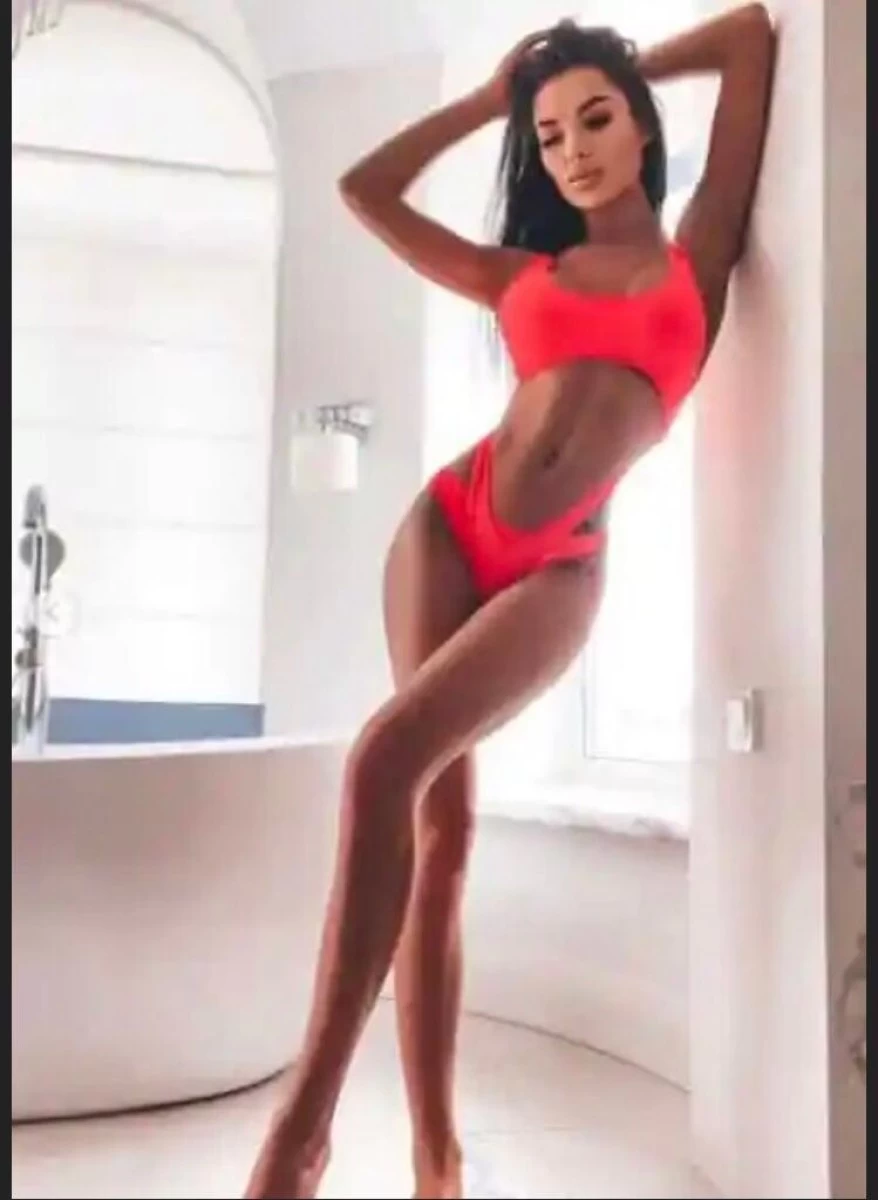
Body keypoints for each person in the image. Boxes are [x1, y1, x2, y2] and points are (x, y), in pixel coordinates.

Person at [245, 6, 776, 1197]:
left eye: (595, 119)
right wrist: (491, 101)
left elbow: (749, 36)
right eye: (548, 136)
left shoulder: (696, 255)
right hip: (448, 525)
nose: (572, 148)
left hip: (558, 565)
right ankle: (435, 1158)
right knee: (438, 833)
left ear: (639, 129)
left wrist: (622, 60)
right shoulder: (521, 272)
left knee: (383, 758)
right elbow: (363, 189)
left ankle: (299, 1133)